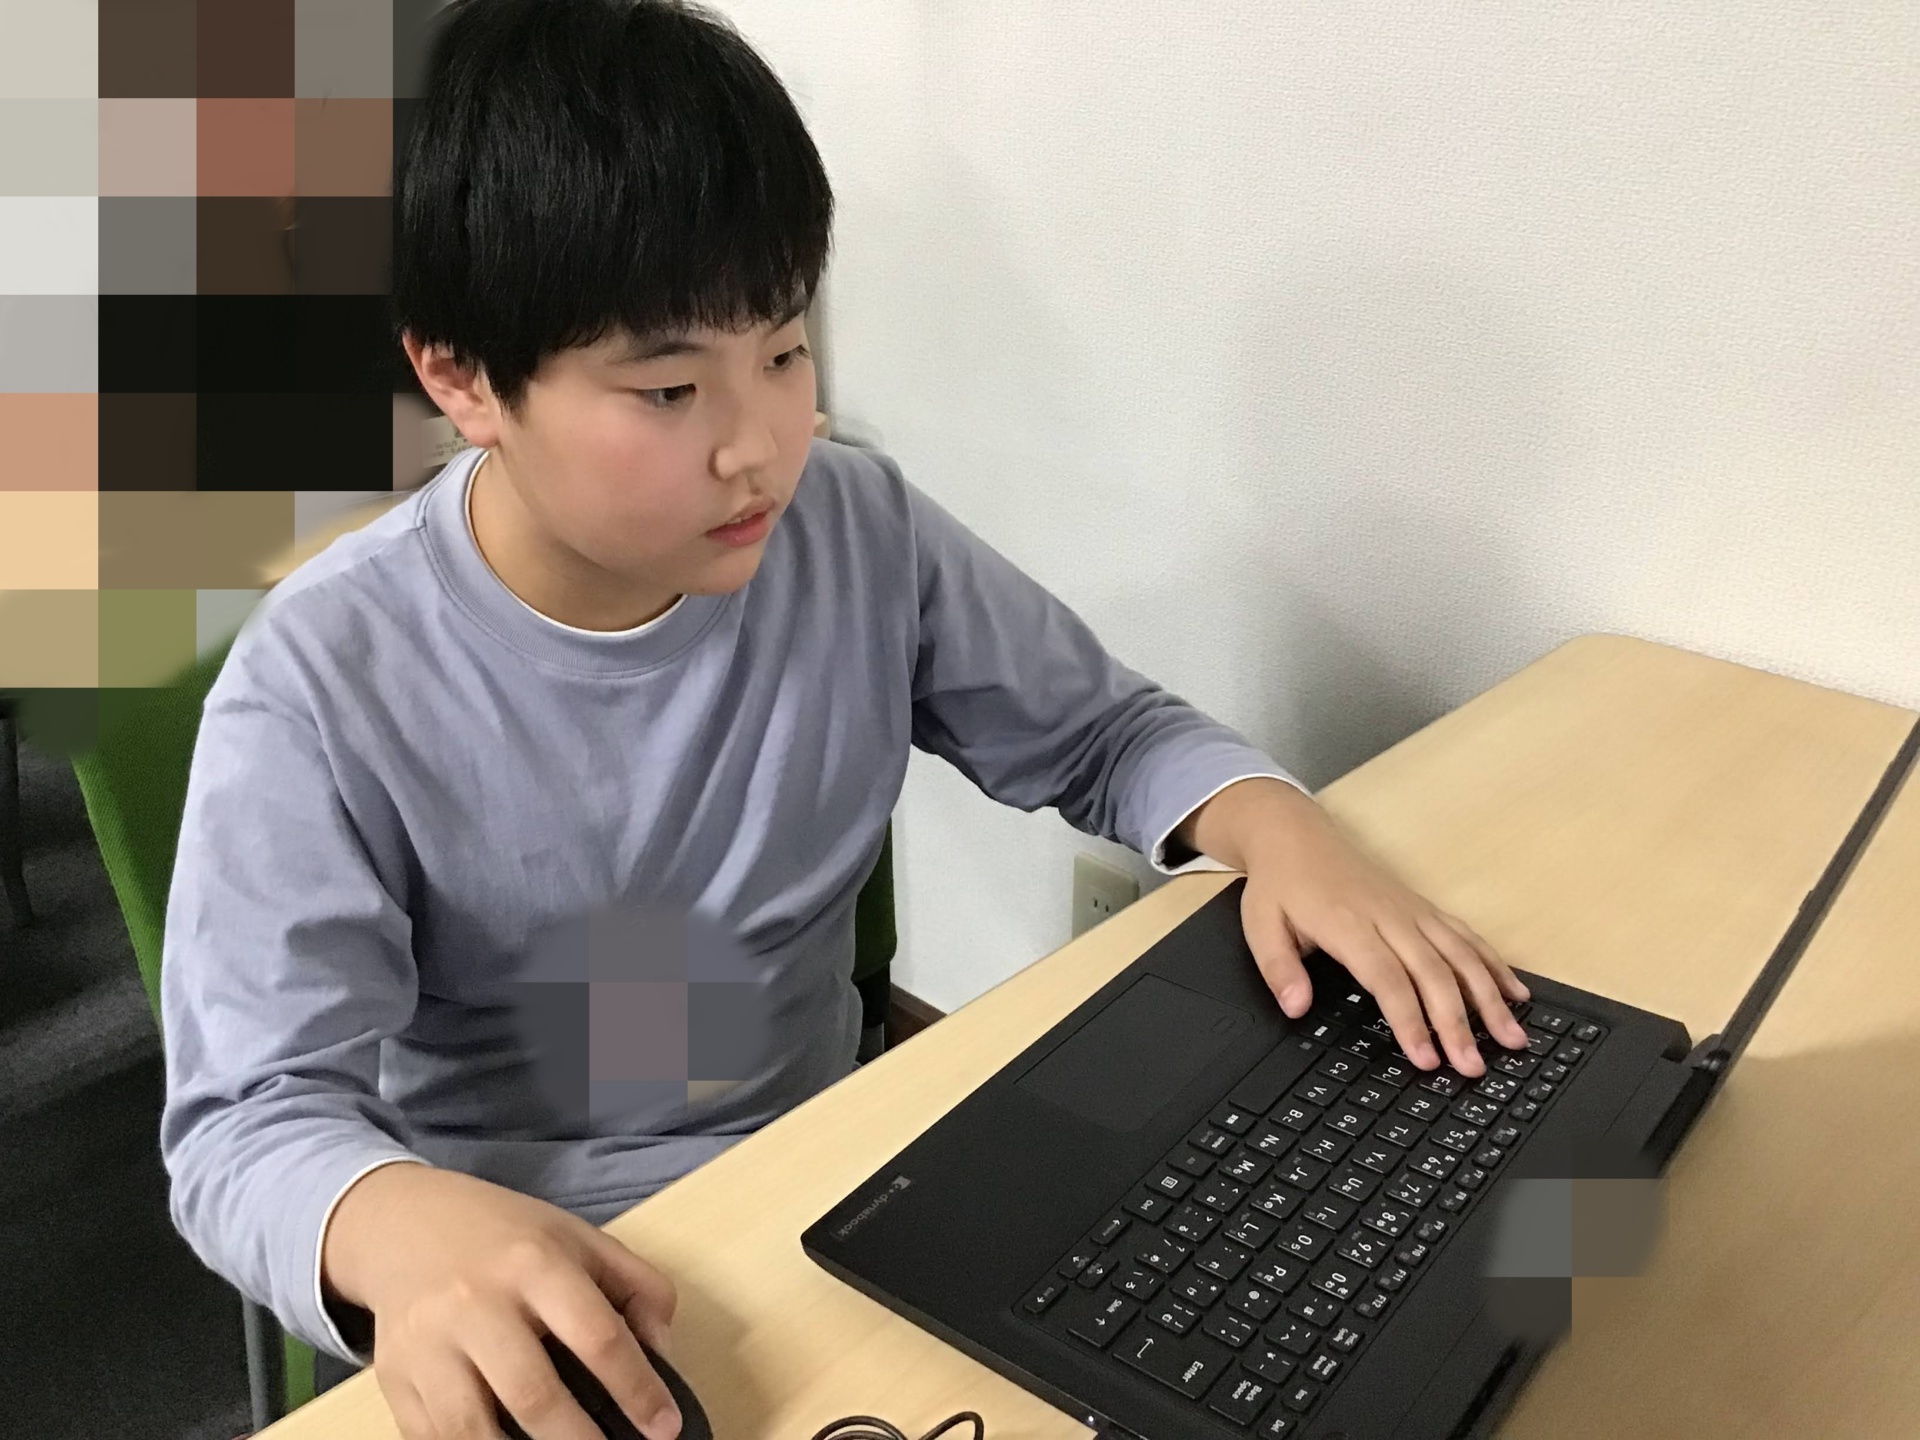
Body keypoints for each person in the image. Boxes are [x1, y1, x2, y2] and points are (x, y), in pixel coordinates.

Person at [158, 2, 1532, 1437]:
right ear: (462, 380)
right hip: (546, 1284)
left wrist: (1283, 830)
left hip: (843, 1185)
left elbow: (1106, 736)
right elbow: (249, 1122)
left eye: (784, 351)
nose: (761, 447)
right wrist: (388, 1221)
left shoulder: (854, 526)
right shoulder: (325, 681)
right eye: (670, 388)